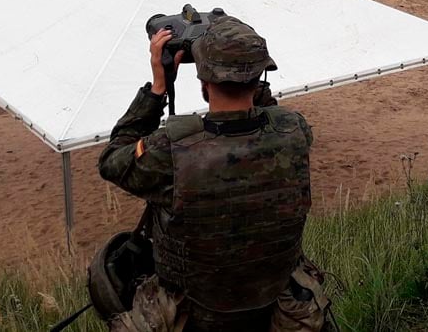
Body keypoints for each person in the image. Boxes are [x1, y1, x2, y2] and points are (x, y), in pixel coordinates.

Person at [97, 16, 330, 332]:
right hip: (275, 307)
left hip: (193, 316)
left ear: (203, 81)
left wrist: (157, 87)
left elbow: (112, 160)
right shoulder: (295, 132)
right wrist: (247, 68)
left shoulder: (171, 149)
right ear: (259, 75)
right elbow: (269, 114)